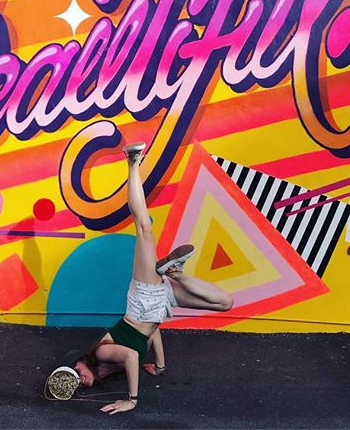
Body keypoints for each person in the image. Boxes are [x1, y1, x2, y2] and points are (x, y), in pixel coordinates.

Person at [62, 141, 234, 415]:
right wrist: (161, 365)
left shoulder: (102, 354)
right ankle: (175, 274)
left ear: (84, 359)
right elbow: (152, 333)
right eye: (79, 383)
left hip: (144, 303)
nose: (78, 378)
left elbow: (131, 354)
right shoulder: (106, 368)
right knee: (225, 303)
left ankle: (132, 163)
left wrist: (132, 399)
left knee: (144, 228)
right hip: (157, 308)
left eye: (75, 370)